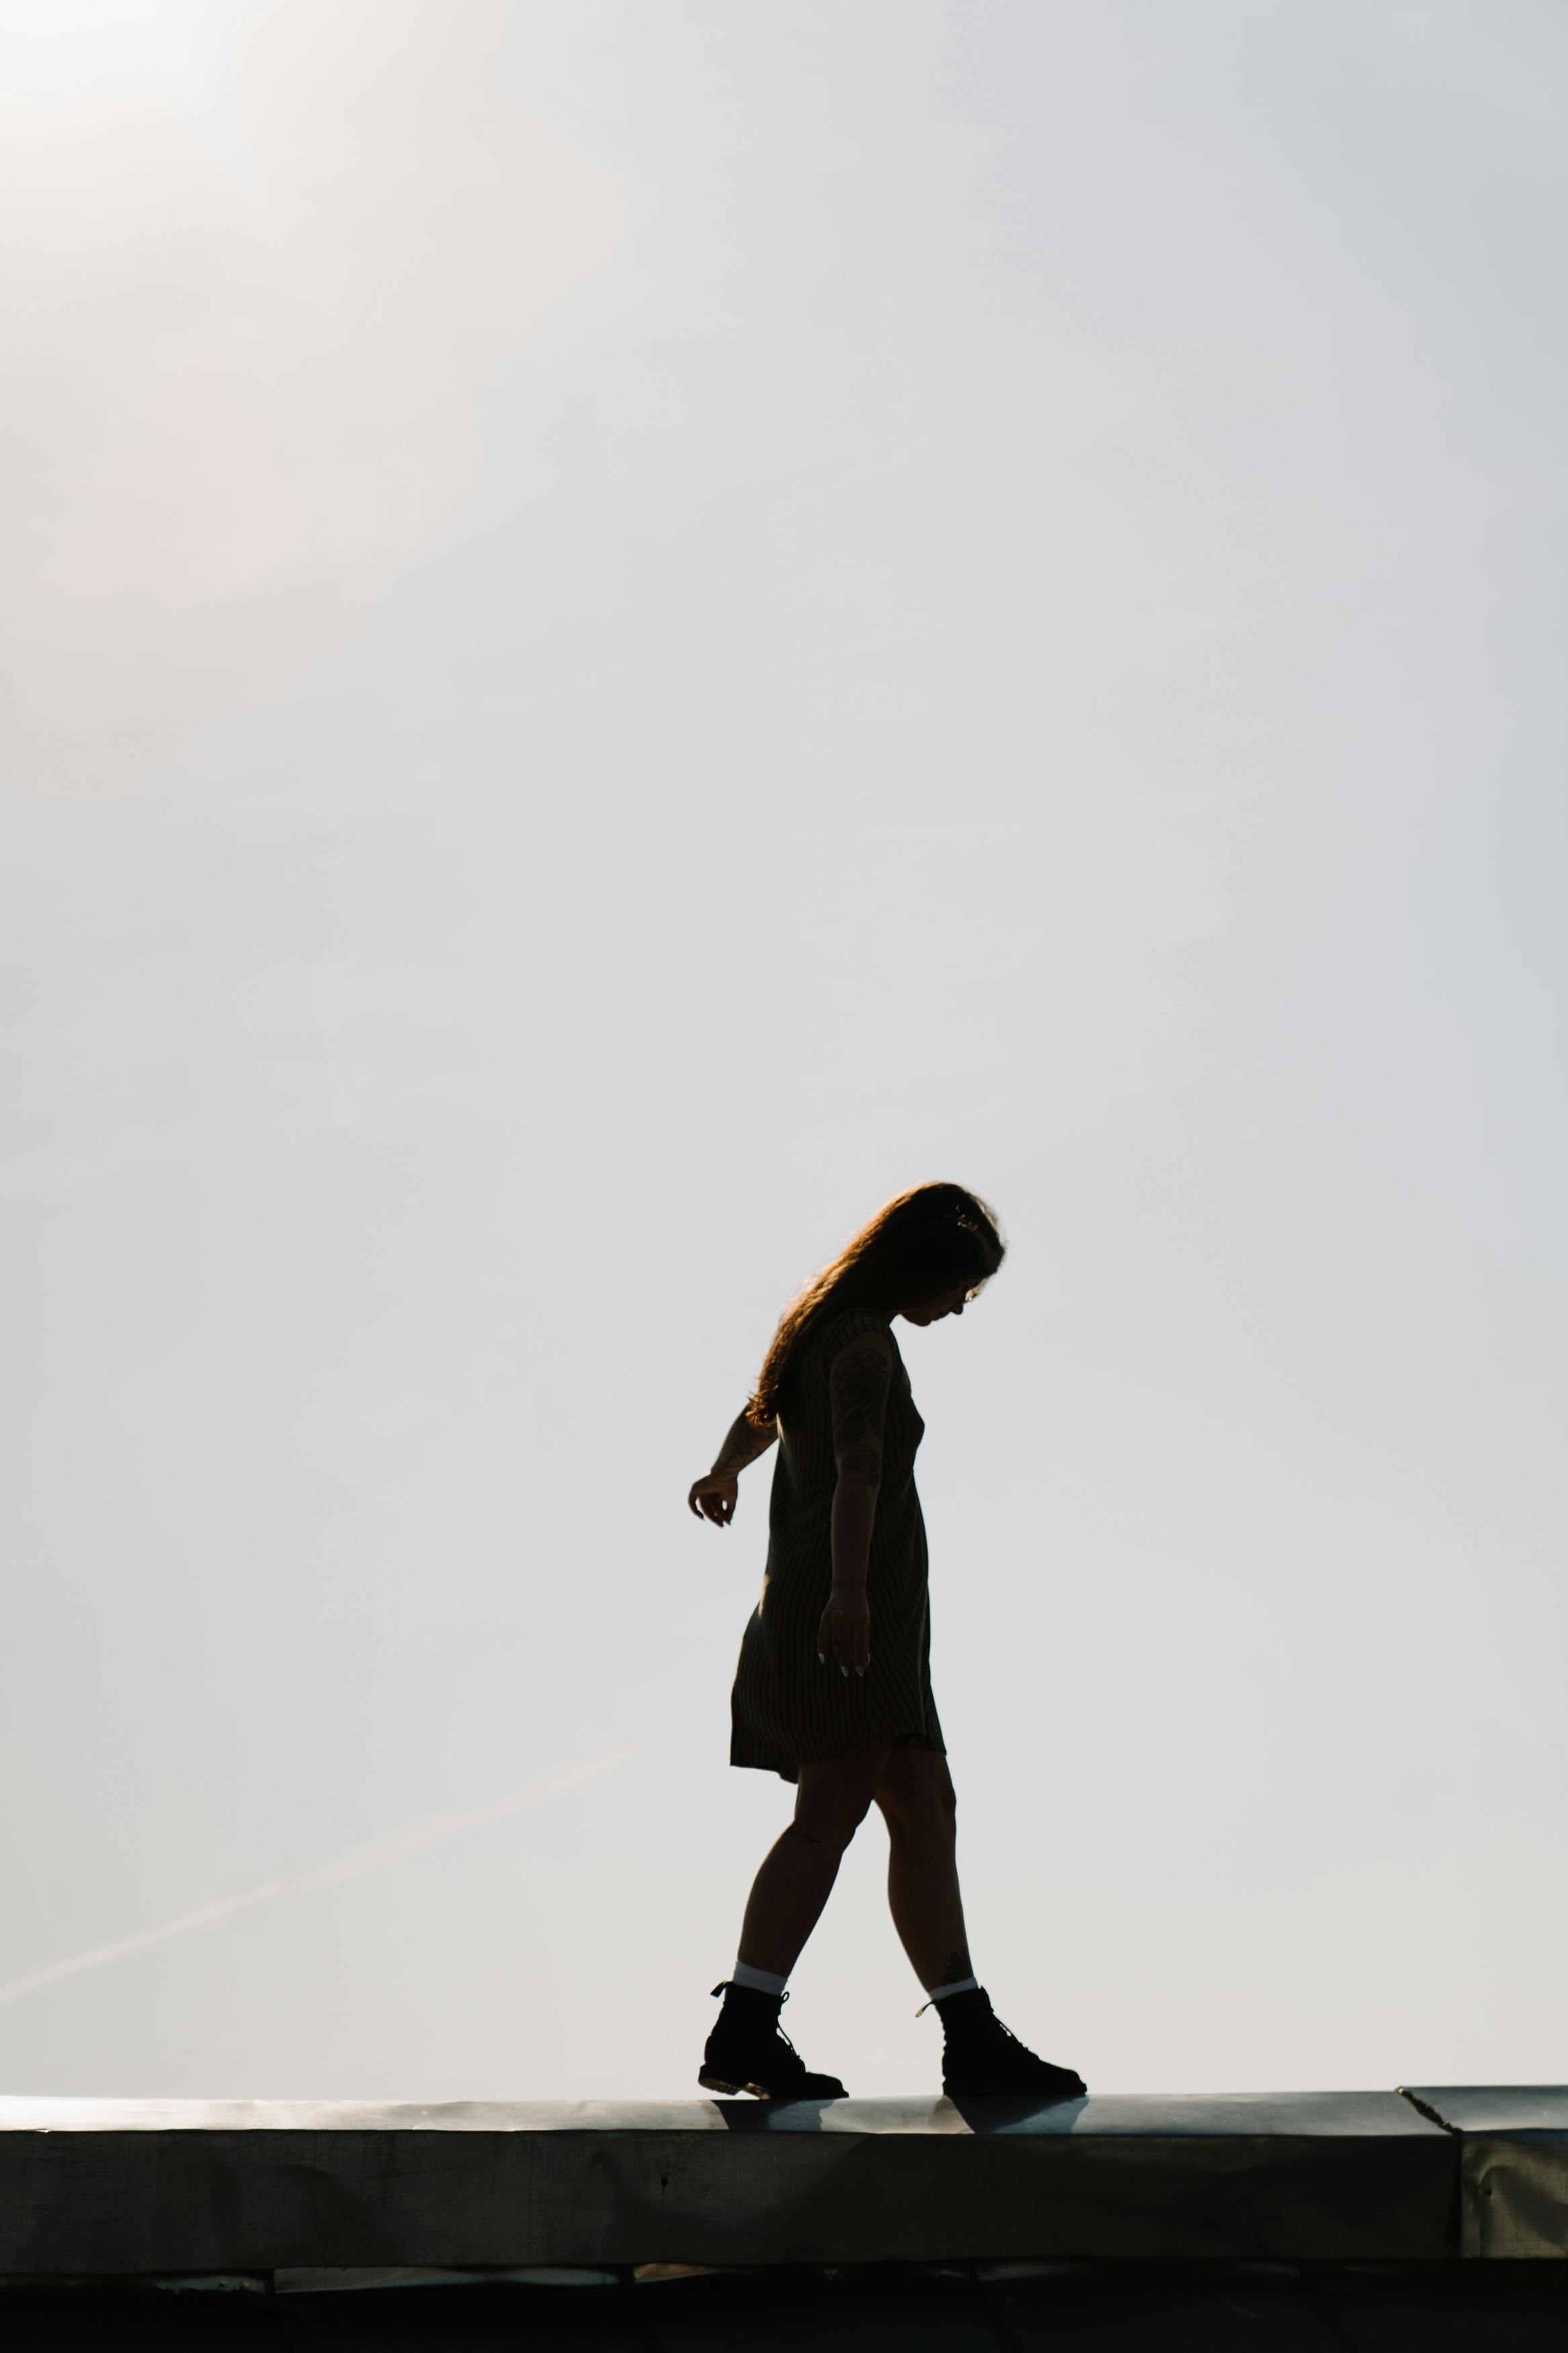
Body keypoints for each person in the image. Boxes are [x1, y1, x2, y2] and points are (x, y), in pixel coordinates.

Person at [688, 1181, 1085, 2104]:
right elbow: (860, 1468)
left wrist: (722, 1470)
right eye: (960, 1288)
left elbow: (763, 1412)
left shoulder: (822, 1327)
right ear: (921, 1268)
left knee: (924, 1807)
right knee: (829, 1814)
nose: (958, 1308)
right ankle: (745, 2025)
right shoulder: (864, 1341)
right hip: (852, 1609)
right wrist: (852, 1592)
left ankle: (970, 2035)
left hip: (859, 1610)